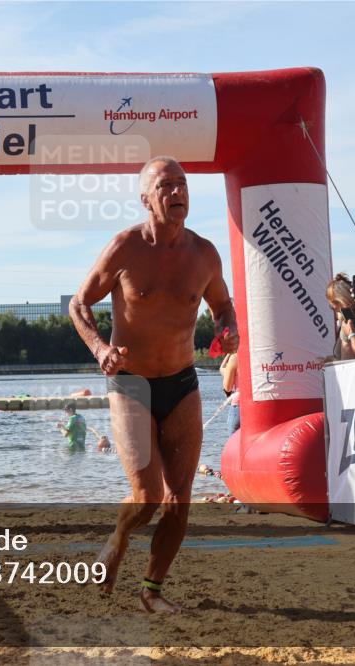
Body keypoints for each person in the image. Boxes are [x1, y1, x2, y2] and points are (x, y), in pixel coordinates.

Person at [69, 156, 238, 613]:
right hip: (131, 383)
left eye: (182, 184)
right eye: (166, 185)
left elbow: (223, 306)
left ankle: (152, 590)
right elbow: (78, 303)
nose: (177, 192)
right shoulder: (125, 247)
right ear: (146, 198)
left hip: (182, 382)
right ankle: (119, 537)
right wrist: (102, 350)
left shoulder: (204, 253)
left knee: (180, 500)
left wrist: (228, 329)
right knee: (146, 498)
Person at [219, 352, 241, 435]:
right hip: (259, 404)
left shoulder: (236, 357)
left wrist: (229, 353)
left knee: (234, 441)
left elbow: (227, 387)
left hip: (239, 405)